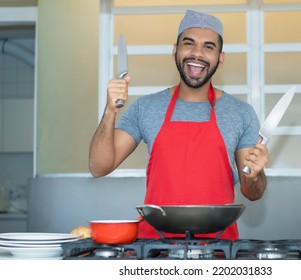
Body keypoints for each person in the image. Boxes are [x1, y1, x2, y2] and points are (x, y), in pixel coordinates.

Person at [89, 10, 269, 240]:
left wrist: (254, 176)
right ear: (175, 50)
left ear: (220, 59)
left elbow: (252, 192)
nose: (197, 53)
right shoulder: (146, 107)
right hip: (156, 247)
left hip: (218, 250)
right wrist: (109, 111)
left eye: (208, 47)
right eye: (189, 43)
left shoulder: (241, 113)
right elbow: (99, 167)